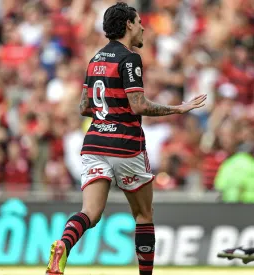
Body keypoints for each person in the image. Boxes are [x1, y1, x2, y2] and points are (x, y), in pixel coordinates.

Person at [45, 2, 206, 275]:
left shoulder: (95, 60)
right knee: (143, 215)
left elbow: (84, 106)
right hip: (125, 145)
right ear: (129, 24)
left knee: (90, 213)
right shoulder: (130, 58)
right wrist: (178, 108)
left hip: (95, 142)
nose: (143, 27)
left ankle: (63, 245)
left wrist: (107, 109)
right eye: (140, 21)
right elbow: (139, 105)